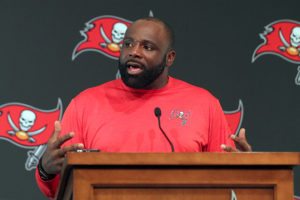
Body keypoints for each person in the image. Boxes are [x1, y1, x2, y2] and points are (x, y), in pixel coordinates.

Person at [35, 17, 252, 198]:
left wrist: (252, 172)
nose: (134, 52)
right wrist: (46, 169)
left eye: (147, 47)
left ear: (169, 58)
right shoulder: (85, 104)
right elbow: (60, 189)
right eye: (128, 44)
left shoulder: (204, 104)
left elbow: (227, 184)